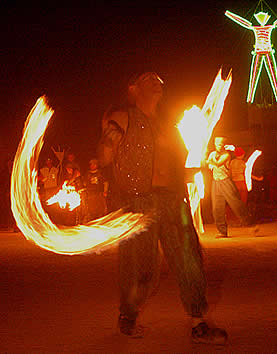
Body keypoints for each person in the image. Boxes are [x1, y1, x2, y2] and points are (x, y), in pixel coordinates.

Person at [97, 71, 227, 344]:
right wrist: (107, 142)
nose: (156, 81)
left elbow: (174, 162)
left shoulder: (169, 123)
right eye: (148, 79)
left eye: (159, 79)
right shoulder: (123, 118)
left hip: (172, 198)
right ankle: (128, 315)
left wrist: (190, 174)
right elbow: (105, 156)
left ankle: (198, 322)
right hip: (138, 201)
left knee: (189, 259)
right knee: (142, 267)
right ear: (133, 88)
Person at [207, 137, 250, 237]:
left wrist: (208, 160)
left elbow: (217, 164)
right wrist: (208, 160)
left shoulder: (226, 155)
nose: (218, 145)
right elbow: (209, 166)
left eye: (220, 143)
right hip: (216, 182)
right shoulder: (212, 154)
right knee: (217, 208)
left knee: (236, 203)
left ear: (224, 145)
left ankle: (249, 222)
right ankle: (222, 231)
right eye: (216, 143)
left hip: (226, 181)